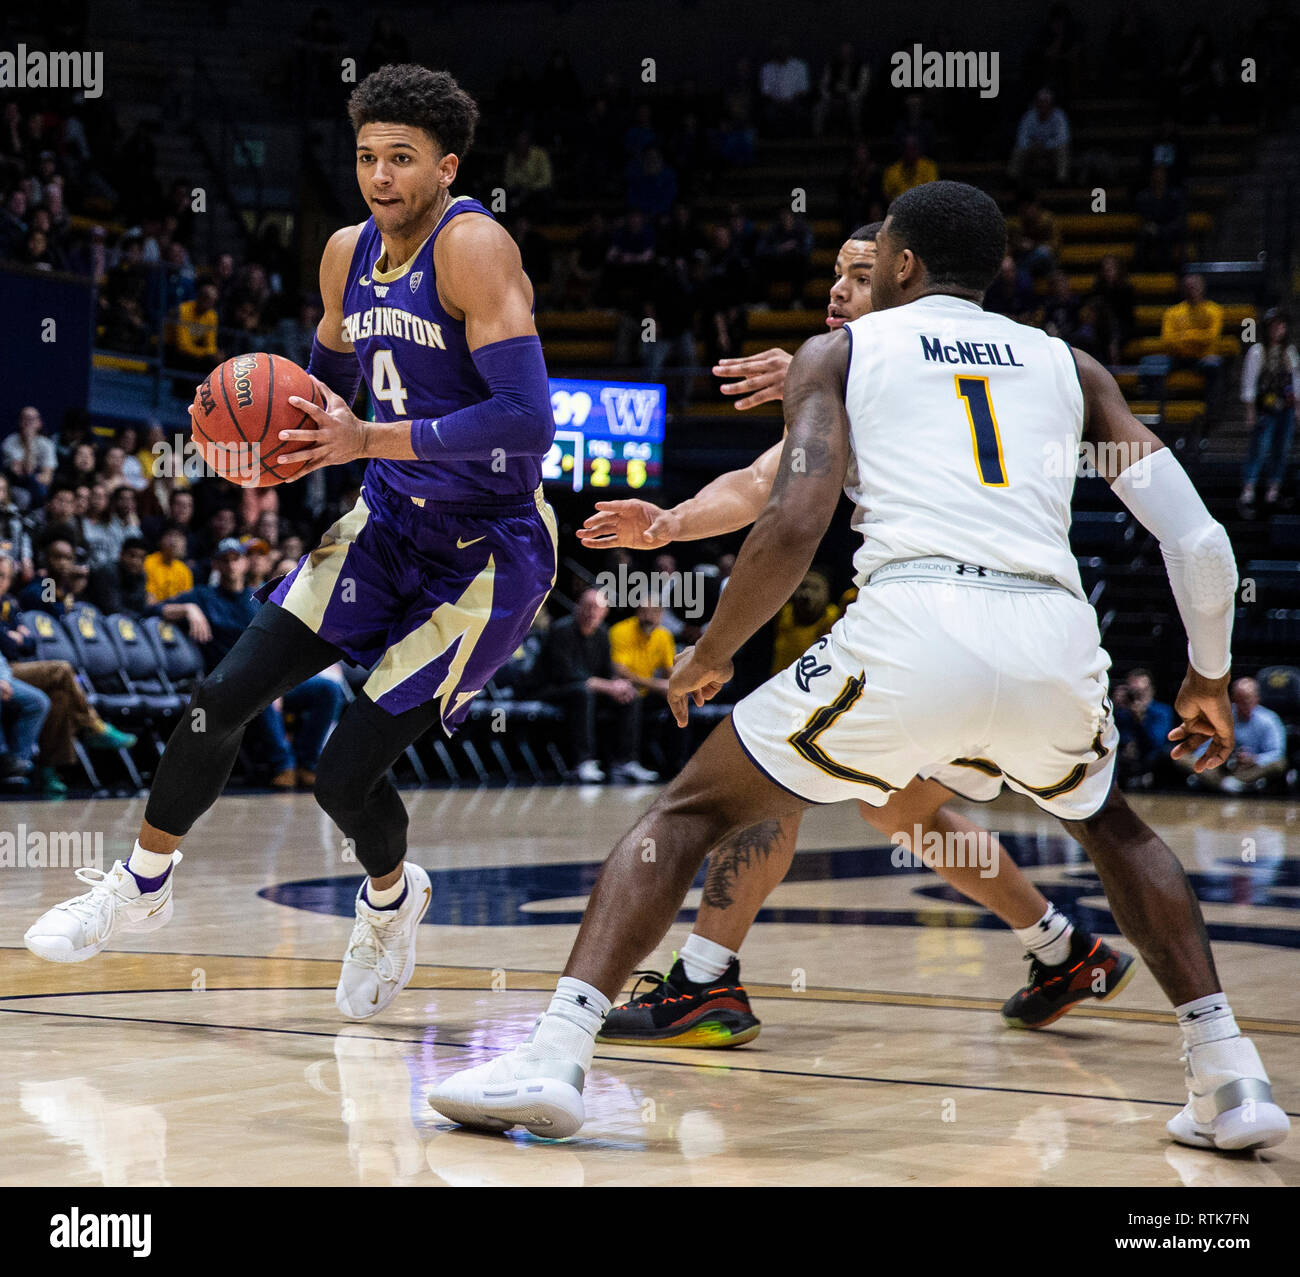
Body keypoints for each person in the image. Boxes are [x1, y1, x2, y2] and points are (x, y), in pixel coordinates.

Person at [432, 181, 1288, 1157]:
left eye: (867, 259)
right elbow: (1200, 538)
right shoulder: (1070, 364)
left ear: (904, 264)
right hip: (1054, 634)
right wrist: (1207, 677)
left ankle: (554, 1055)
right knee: (1114, 827)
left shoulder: (843, 354)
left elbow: (791, 517)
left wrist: (709, 652)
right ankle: (1226, 1074)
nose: (853, 277)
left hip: (914, 624)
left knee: (689, 808)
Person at [25, 65, 559, 1028]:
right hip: (386, 522)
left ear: (446, 167)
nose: (380, 177)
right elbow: (326, 384)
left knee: (343, 777)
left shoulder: (475, 247)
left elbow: (528, 423)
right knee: (218, 698)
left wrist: (366, 440)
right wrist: (271, 440)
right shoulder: (345, 252)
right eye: (366, 157)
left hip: (487, 554)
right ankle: (143, 883)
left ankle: (393, 901)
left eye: (402, 159)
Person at [579, 221, 1131, 1046]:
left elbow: (781, 499)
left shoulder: (883, 362)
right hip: (1027, 632)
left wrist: (821, 370)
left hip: (941, 616)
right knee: (897, 803)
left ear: (913, 280)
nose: (838, 291)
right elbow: (767, 477)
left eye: (862, 275)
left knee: (773, 772)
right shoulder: (936, 362)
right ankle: (1062, 947)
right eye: (835, 274)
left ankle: (702, 979)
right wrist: (668, 523)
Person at [539, 588, 655, 784]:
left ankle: (626, 762)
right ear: (578, 608)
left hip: (586, 691)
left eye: (598, 608)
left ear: (605, 612)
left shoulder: (602, 633)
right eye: (588, 606)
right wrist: (607, 686)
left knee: (630, 695)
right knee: (582, 692)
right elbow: (565, 675)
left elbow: (606, 672)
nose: (592, 612)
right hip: (549, 689)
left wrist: (618, 684)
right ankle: (583, 762)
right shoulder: (561, 630)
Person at [1178, 677, 1287, 793]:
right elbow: (1203, 749)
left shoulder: (1269, 720)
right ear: (1233, 699)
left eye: (1248, 700)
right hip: (1220, 767)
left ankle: (1233, 783)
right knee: (1181, 757)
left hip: (1250, 768)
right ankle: (1228, 784)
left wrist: (1255, 759)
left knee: (1279, 764)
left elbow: (1277, 753)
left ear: (1257, 699)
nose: (1244, 705)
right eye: (1240, 700)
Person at [1238, 307, 1298, 512]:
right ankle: (1249, 489)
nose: (1278, 329)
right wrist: (1250, 411)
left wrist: (1297, 408)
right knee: (1259, 447)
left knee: (1281, 449)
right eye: (1274, 325)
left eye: (1281, 325)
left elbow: (1295, 381)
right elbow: (1249, 383)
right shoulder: (1257, 351)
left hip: (1286, 407)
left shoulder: (1289, 352)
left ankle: (1274, 489)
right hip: (1265, 408)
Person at [1160, 273, 1223, 420]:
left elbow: (1212, 337)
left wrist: (1184, 335)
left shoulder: (1214, 310)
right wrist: (1197, 337)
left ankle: (1211, 415)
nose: (1191, 290)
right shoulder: (1172, 312)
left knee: (1215, 366)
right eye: (1188, 287)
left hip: (1203, 357)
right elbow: (1167, 340)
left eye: (1195, 286)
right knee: (1151, 366)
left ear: (1202, 288)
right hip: (1178, 357)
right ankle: (1157, 413)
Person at [1009, 88, 1071, 185]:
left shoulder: (1059, 116)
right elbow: (1021, 138)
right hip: (1032, 149)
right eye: (1040, 102)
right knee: (1018, 150)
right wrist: (1034, 145)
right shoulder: (1029, 116)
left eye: (1046, 102)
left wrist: (1045, 145)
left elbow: (1063, 138)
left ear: (1051, 104)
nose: (1043, 105)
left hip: (1051, 150)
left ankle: (1061, 181)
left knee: (1062, 149)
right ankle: (1012, 180)